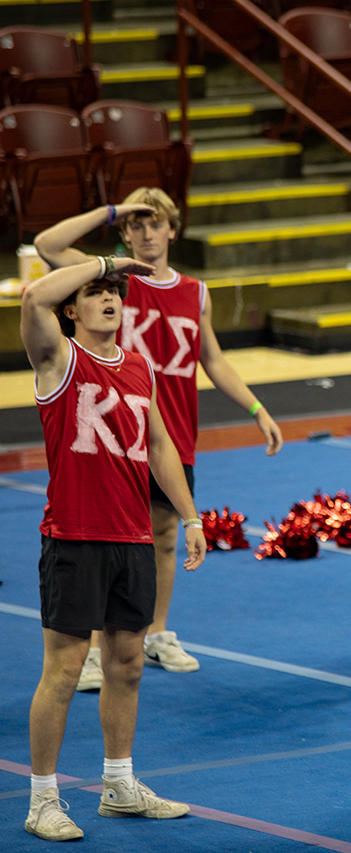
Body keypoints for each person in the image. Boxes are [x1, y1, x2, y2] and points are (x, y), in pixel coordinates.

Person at [34, 191, 283, 689]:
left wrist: (255, 408)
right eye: (138, 225)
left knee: (164, 535)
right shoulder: (111, 281)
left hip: (172, 430)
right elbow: (46, 243)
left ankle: (156, 633)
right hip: (113, 429)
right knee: (115, 533)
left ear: (173, 229)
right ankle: (98, 647)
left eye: (156, 224)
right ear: (127, 233)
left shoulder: (196, 292)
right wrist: (113, 212)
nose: (147, 233)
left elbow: (211, 359)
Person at [19, 255, 207, 841]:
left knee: (126, 665)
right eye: (96, 293)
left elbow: (158, 445)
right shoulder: (57, 358)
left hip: (132, 538)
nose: (110, 300)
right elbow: (31, 299)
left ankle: (119, 785)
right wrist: (101, 262)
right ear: (71, 308)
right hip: (75, 536)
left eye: (115, 293)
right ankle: (42, 798)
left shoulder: (139, 367)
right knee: (66, 669)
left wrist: (190, 515)